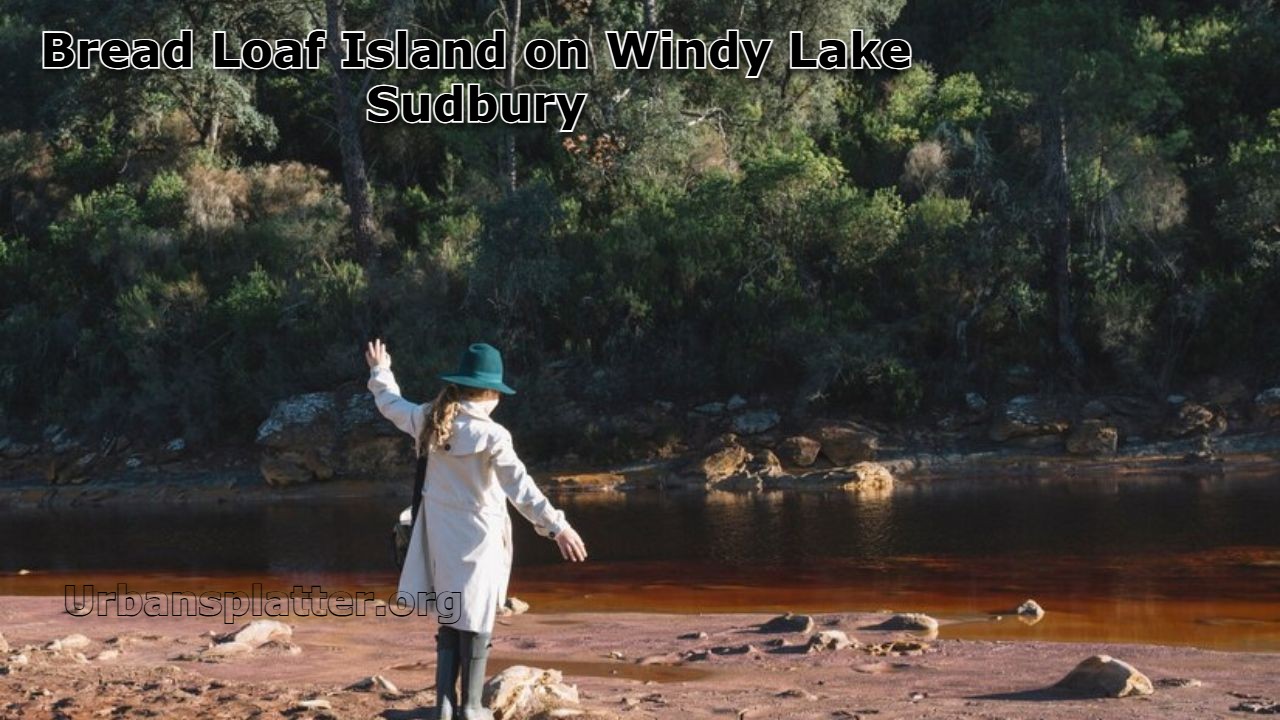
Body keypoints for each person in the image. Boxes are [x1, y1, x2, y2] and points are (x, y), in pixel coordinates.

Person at [365, 339, 588, 720]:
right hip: (481, 540)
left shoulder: (428, 420)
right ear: (490, 394)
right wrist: (558, 527)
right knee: (478, 617)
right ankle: (470, 707)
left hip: (439, 536)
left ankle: (445, 706)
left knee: (450, 614)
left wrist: (379, 370)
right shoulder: (493, 436)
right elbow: (522, 489)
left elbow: (390, 404)